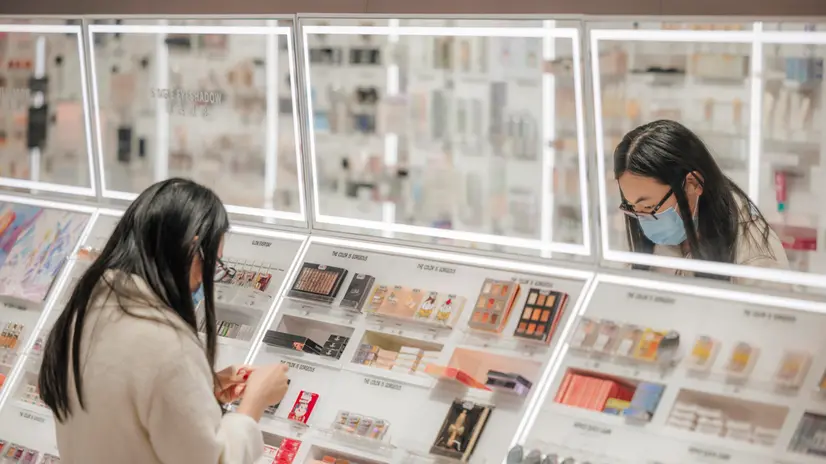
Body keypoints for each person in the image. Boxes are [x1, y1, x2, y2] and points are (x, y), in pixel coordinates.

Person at [38, 178, 289, 464]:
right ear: (192, 251)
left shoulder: (85, 312)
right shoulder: (166, 342)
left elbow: (125, 409)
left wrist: (202, 390)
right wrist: (255, 401)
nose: (204, 281)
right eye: (214, 264)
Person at [613, 120, 789, 281]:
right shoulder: (649, 235)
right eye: (633, 208)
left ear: (692, 184)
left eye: (649, 206)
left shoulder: (755, 257)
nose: (643, 220)